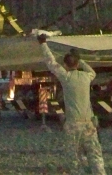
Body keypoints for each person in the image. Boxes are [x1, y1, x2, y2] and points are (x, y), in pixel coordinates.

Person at [37, 33, 106, 175]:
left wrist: (43, 44)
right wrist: (80, 61)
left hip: (73, 124)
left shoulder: (66, 77)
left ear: (66, 65)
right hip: (88, 124)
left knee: (74, 159)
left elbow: (51, 63)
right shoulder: (87, 77)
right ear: (76, 64)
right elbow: (92, 72)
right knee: (96, 157)